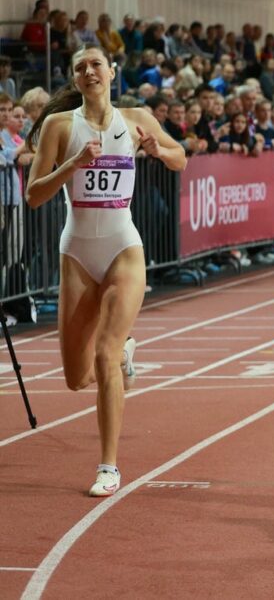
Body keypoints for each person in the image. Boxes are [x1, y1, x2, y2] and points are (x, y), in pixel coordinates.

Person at [25, 45, 186, 497]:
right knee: (77, 378)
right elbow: (34, 195)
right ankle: (126, 355)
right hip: (77, 253)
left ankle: (108, 467)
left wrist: (158, 149)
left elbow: (181, 159)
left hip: (123, 249)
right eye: (81, 67)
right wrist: (73, 165)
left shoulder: (136, 119)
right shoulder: (60, 125)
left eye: (96, 63)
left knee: (104, 353)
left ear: (112, 72)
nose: (89, 71)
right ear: (75, 80)